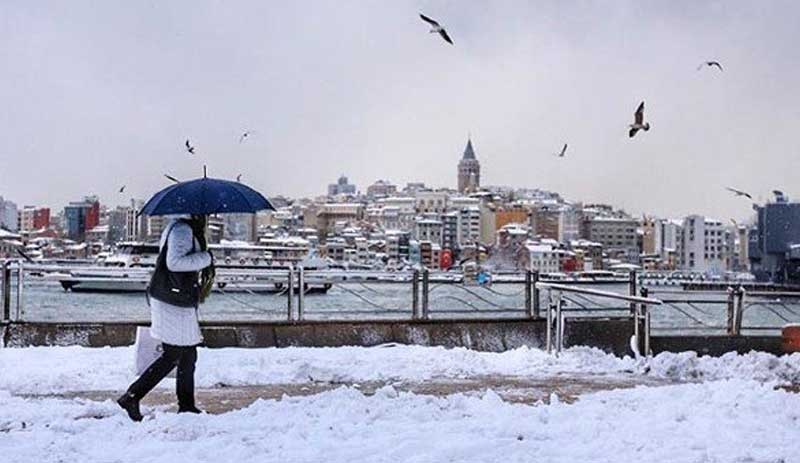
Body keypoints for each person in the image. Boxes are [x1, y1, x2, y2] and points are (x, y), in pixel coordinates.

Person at [117, 214, 215, 422]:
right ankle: (132, 396)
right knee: (174, 354)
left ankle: (187, 406)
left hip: (175, 298)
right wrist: (206, 258)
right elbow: (174, 263)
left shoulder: (179, 227)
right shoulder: (183, 230)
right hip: (173, 300)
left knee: (187, 354)